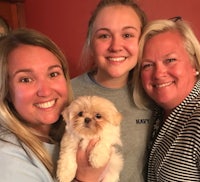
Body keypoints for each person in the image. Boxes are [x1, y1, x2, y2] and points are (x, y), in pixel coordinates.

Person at [0, 28, 105, 182]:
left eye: (53, 74)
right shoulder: (7, 158)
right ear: (7, 91)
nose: (45, 91)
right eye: (26, 79)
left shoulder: (67, 134)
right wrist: (85, 178)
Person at [71, 0, 152, 181]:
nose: (116, 46)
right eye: (104, 36)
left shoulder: (153, 93)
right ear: (91, 42)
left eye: (128, 35)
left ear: (142, 41)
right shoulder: (65, 94)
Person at [133, 17, 200, 181]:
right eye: (147, 65)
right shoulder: (157, 112)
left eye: (170, 60)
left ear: (195, 65)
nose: (158, 73)